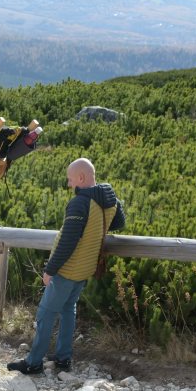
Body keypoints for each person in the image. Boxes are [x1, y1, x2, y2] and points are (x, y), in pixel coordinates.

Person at [8, 158, 125, 375]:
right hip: (85, 269)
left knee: (45, 314)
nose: (69, 185)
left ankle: (33, 363)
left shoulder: (81, 202)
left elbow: (68, 240)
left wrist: (50, 270)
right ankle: (63, 359)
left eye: (70, 180)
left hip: (68, 269)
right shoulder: (108, 200)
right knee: (68, 311)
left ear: (81, 177)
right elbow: (119, 222)